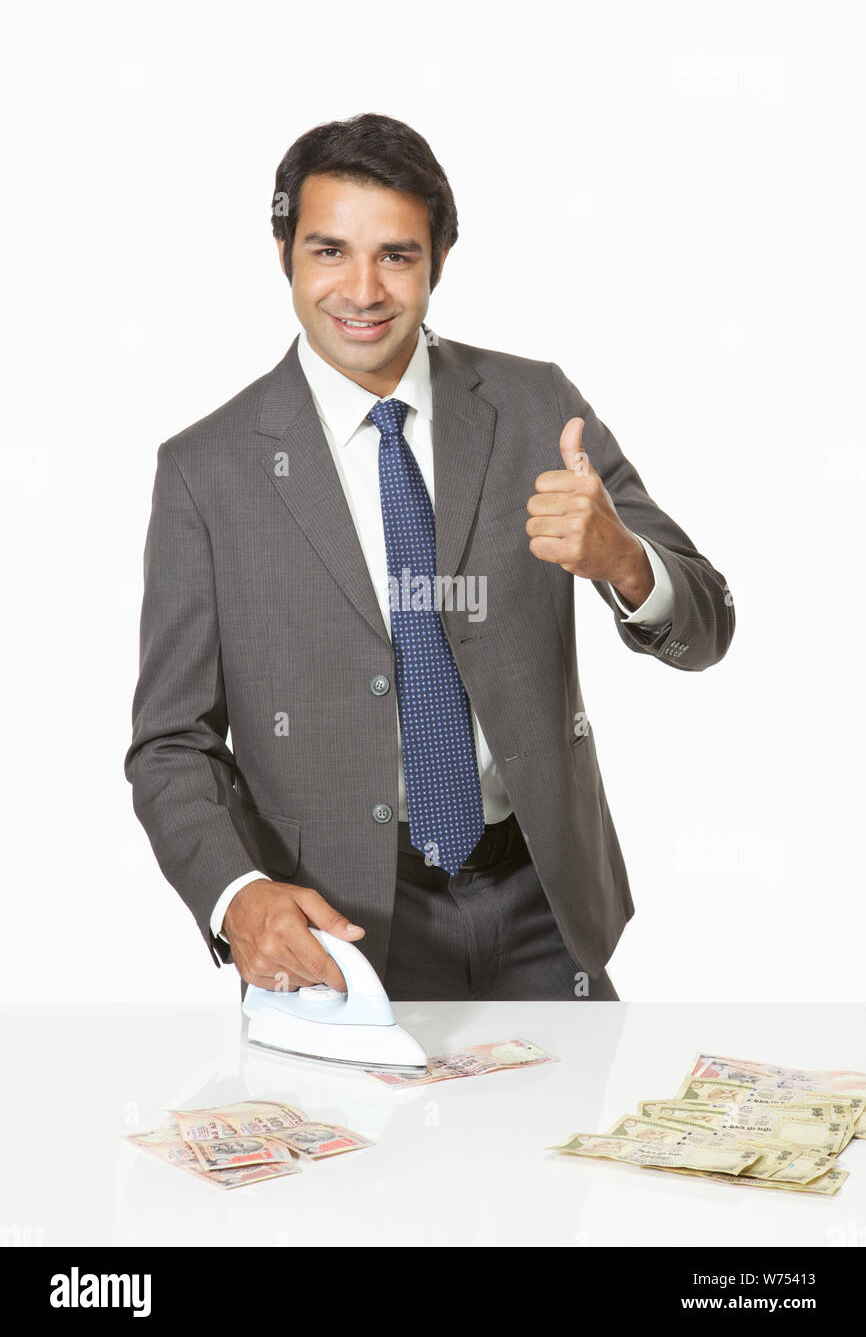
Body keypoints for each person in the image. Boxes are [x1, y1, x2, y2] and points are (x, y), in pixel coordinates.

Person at [124, 112, 734, 1002]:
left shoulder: (535, 406)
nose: (362, 290)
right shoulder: (205, 469)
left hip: (544, 905)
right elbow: (171, 743)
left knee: (572, 1146)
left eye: (397, 256)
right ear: (285, 253)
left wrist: (624, 562)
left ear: (439, 260)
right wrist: (238, 896)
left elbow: (709, 624)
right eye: (329, 251)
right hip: (339, 931)